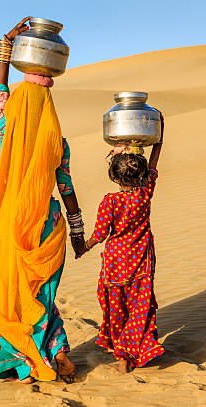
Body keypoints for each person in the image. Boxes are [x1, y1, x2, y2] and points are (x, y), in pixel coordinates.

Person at [0, 17, 87, 384]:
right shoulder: (57, 141)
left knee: (0, 289)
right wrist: (77, 231)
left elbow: (1, 89)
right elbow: (66, 188)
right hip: (47, 222)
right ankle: (57, 351)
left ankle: (21, 359)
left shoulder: (8, 125)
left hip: (10, 220)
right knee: (42, 295)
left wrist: (6, 45)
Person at [80, 125, 165, 374]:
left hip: (115, 264)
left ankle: (121, 352)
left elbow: (100, 234)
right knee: (140, 306)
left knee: (116, 307)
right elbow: (154, 161)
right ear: (141, 175)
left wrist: (84, 246)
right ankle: (137, 349)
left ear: (115, 177)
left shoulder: (111, 201)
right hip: (141, 262)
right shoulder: (144, 194)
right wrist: (159, 135)